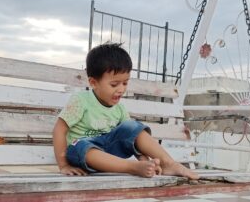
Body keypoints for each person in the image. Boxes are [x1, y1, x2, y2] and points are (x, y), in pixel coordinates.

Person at [53, 42, 199, 179]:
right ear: (93, 82)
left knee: (133, 126)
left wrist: (147, 162)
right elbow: (59, 130)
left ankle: (168, 163)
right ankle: (132, 167)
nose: (121, 89)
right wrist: (63, 165)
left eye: (125, 83)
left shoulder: (120, 109)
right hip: (82, 155)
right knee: (82, 145)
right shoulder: (81, 100)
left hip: (110, 157)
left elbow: (133, 138)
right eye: (114, 84)